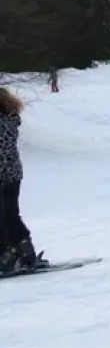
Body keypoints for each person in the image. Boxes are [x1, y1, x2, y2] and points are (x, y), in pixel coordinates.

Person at [0, 87, 39, 273]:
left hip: (7, 175)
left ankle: (23, 251)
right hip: (11, 174)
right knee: (6, 215)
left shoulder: (6, 122)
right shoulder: (9, 119)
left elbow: (4, 149)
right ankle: (8, 252)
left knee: (9, 215)